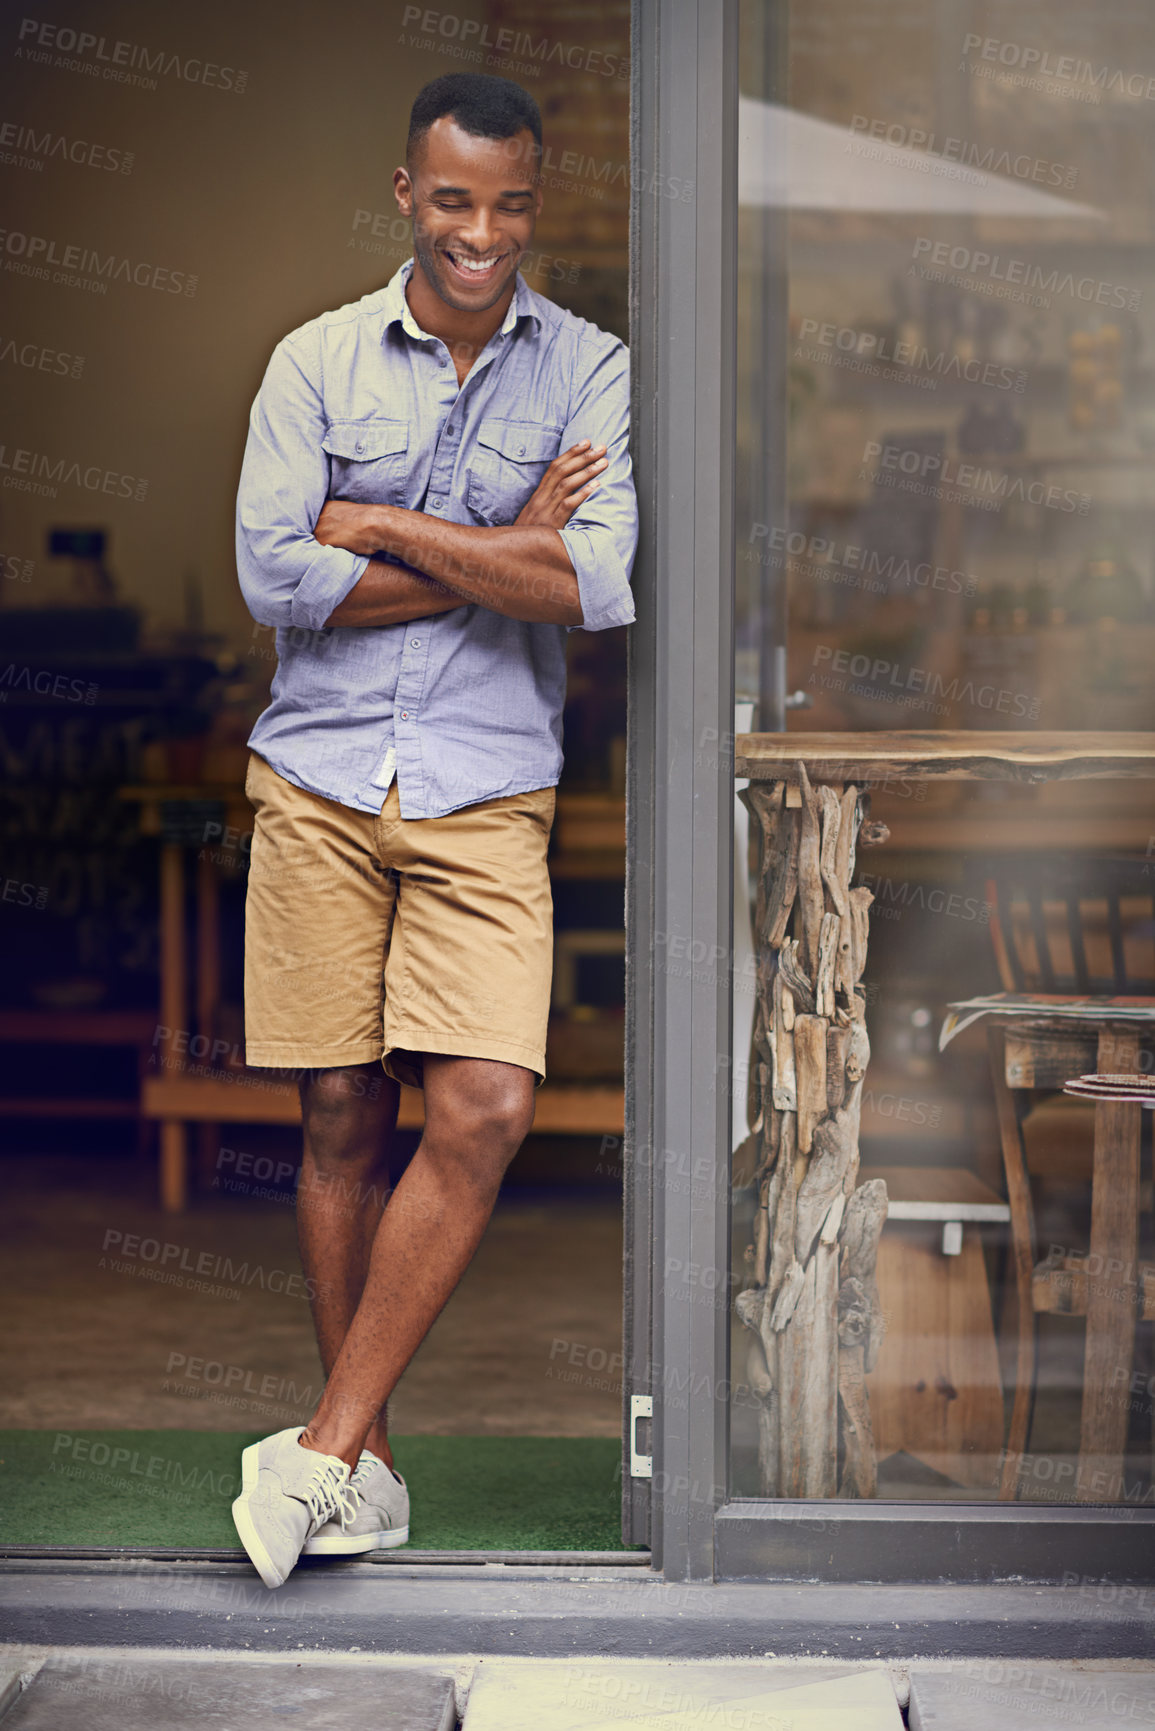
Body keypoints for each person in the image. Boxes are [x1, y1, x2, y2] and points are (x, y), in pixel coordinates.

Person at [228, 71, 638, 1589]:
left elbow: (591, 585)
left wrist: (385, 522)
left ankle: (323, 1450)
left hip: (487, 784)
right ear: (406, 193)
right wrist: (504, 531)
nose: (483, 233)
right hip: (320, 779)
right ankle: (374, 1459)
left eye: (512, 203)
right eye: (454, 200)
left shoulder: (590, 368)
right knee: (340, 1114)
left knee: (482, 1107)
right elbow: (278, 582)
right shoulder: (313, 361)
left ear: (539, 201)